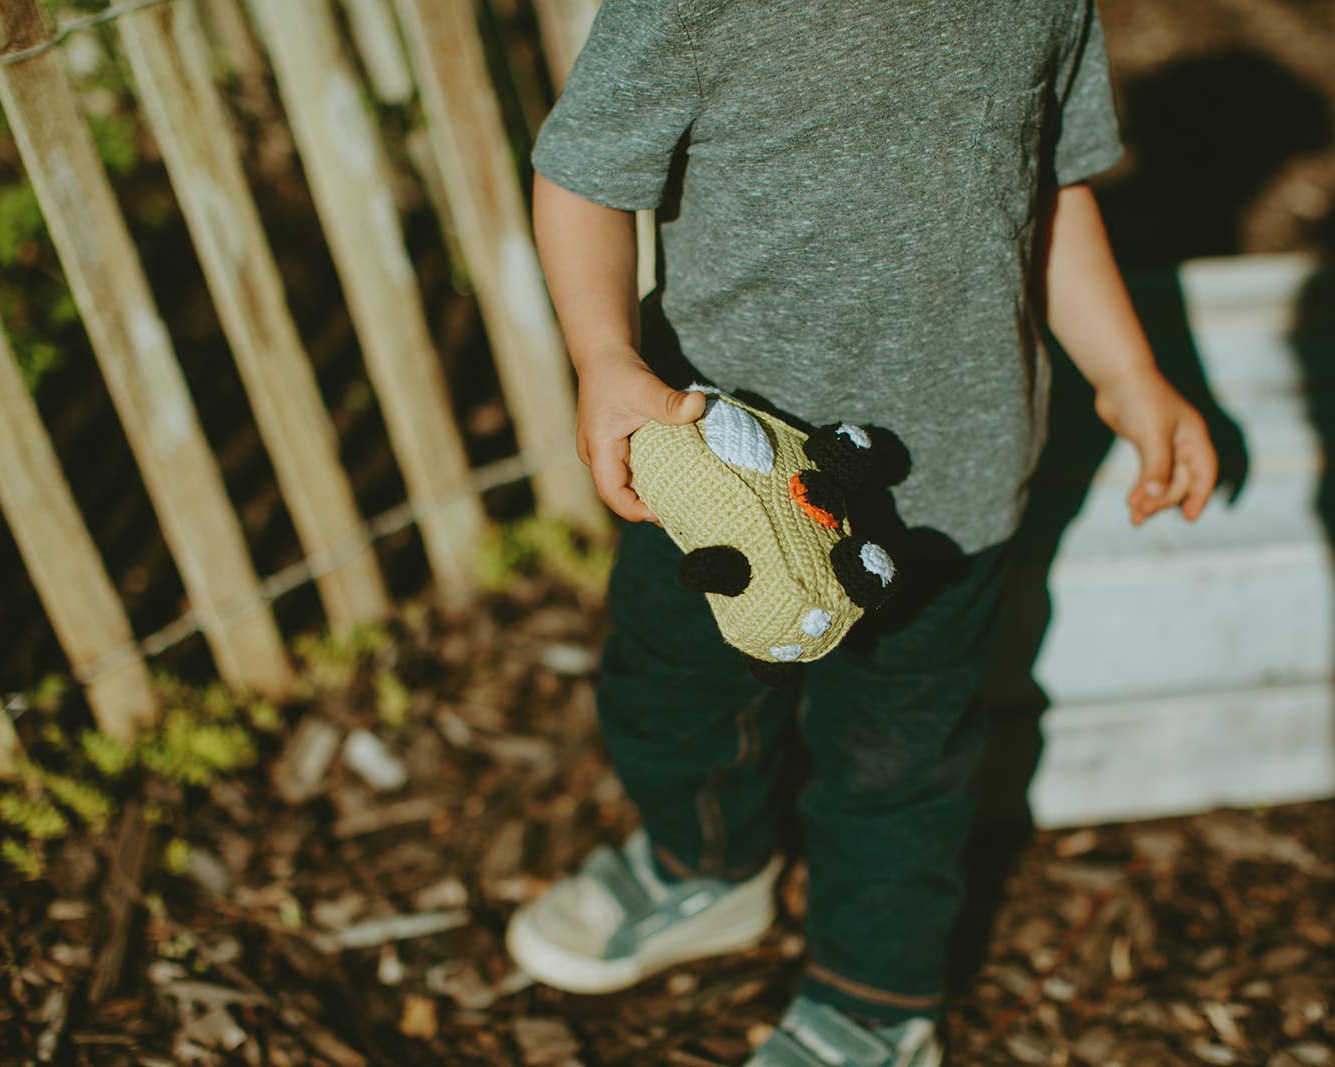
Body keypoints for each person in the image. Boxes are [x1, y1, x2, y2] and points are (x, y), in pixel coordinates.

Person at [506, 3, 1219, 1063]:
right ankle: (707, 866)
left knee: (899, 764)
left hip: (949, 484)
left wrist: (1127, 370)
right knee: (676, 698)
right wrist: (604, 354)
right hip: (717, 474)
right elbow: (585, 177)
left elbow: (1052, 190)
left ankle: (875, 1003)